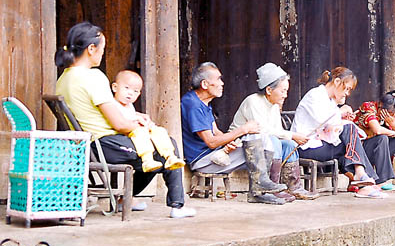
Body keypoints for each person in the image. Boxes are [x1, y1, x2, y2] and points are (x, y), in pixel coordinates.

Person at [55, 21, 195, 218]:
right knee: (165, 148)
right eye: (102, 49)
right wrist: (141, 125)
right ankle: (177, 206)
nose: (103, 53)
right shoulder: (92, 77)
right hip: (103, 145)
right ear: (91, 49)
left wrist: (135, 119)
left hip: (85, 144)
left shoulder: (64, 78)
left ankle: (124, 199)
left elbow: (98, 113)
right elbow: (119, 124)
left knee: (154, 150)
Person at [180, 62, 287, 205]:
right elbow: (211, 142)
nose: (222, 83)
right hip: (203, 160)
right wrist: (243, 129)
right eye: (218, 79)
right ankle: (259, 189)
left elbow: (216, 132)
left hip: (216, 154)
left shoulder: (203, 103)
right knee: (255, 135)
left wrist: (228, 143)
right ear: (205, 84)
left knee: (262, 137)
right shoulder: (192, 104)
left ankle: (260, 188)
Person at [291, 67, 386, 199]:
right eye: (346, 88)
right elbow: (323, 120)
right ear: (336, 82)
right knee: (349, 138)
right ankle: (363, 178)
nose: (347, 93)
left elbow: (331, 127)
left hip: (320, 144)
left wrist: (342, 119)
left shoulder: (330, 101)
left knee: (349, 139)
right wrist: (341, 112)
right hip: (306, 146)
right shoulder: (315, 95)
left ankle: (363, 181)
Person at [230, 62, 318, 201]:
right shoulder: (253, 101)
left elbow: (278, 131)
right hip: (243, 147)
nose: (285, 95)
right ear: (269, 90)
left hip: (265, 146)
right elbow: (263, 131)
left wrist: (292, 138)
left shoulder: (274, 106)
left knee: (288, 144)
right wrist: (293, 135)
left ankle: (293, 187)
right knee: (275, 141)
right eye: (283, 91)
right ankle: (272, 186)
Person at [111, 70, 185, 173]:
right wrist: (138, 120)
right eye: (126, 88)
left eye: (135, 91)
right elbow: (121, 119)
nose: (130, 93)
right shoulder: (112, 104)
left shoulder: (129, 105)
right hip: (126, 135)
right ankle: (147, 160)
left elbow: (132, 114)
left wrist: (142, 118)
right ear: (115, 87)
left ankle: (170, 156)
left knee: (159, 130)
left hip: (135, 130)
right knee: (141, 133)